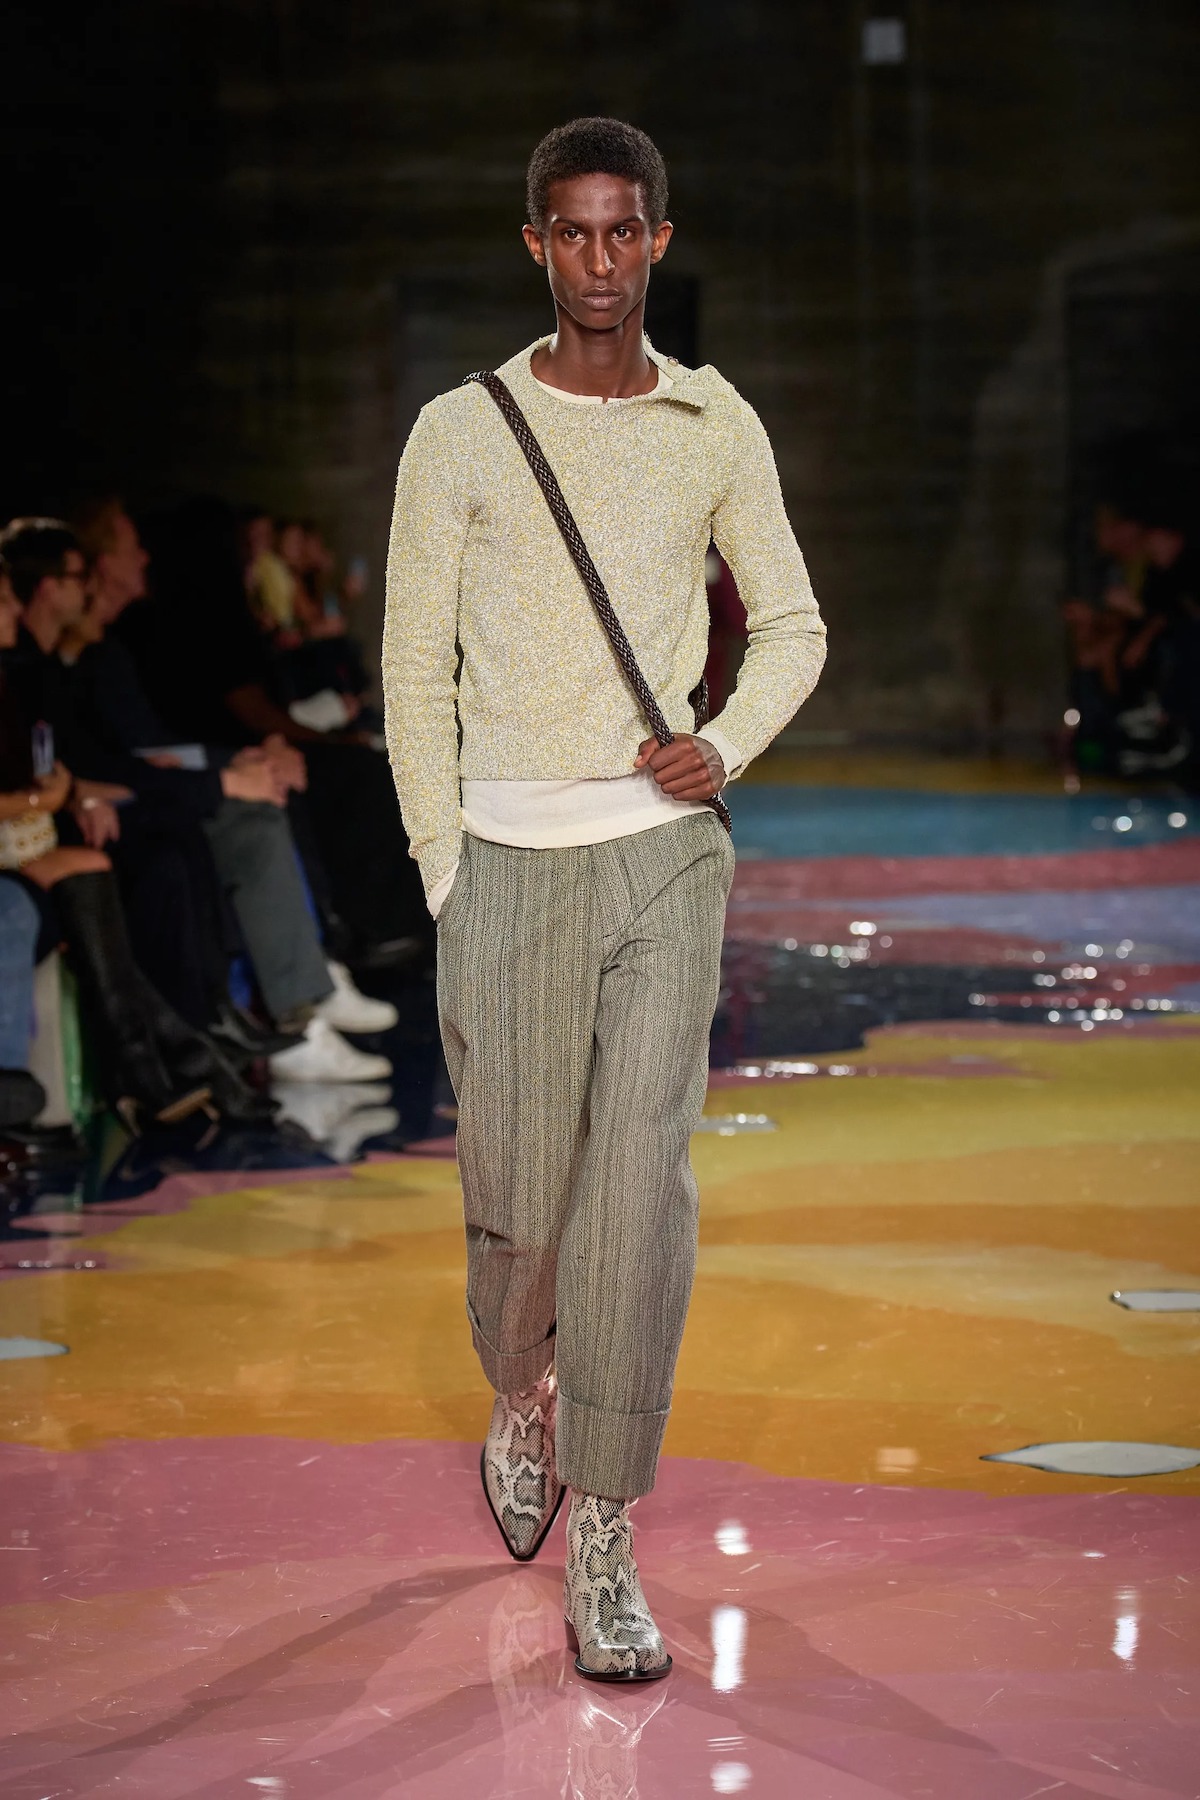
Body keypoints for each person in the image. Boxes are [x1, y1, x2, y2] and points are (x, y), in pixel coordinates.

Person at [383, 118, 825, 1681]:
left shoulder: (713, 422)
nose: (597, 259)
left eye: (622, 231)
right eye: (569, 232)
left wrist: (725, 744)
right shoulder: (462, 430)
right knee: (517, 1207)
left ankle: (610, 1530)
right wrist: (445, 870)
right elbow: (411, 668)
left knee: (638, 1195)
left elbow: (793, 622)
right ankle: (524, 1391)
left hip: (661, 857)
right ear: (536, 245)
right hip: (504, 860)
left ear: (657, 240)